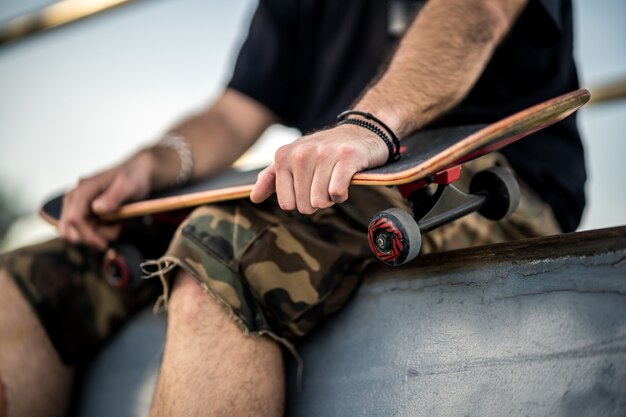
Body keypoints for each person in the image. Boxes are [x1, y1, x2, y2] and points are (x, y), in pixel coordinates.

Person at [0, 0, 586, 416]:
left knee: (223, 255)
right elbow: (233, 114)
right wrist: (158, 161)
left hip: (487, 179)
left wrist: (370, 124)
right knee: (26, 282)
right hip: (328, 185)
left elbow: (477, 12)